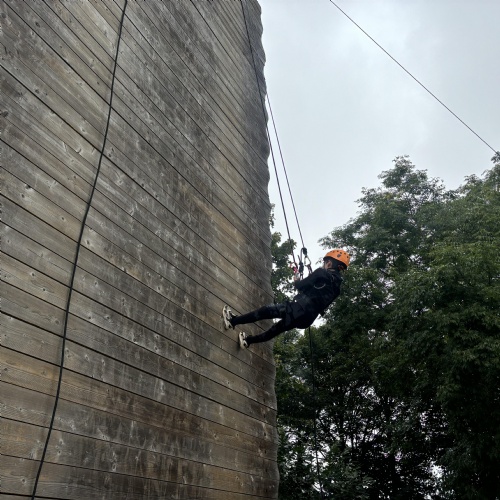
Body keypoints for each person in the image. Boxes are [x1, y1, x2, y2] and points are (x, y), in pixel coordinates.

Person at [222, 249, 350, 348]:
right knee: (275, 330)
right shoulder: (337, 289)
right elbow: (318, 298)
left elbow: (300, 286)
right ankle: (247, 341)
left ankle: (233, 321)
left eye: (325, 262)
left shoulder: (322, 272)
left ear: (329, 262)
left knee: (265, 311)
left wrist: (296, 280)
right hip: (307, 319)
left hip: (297, 309)